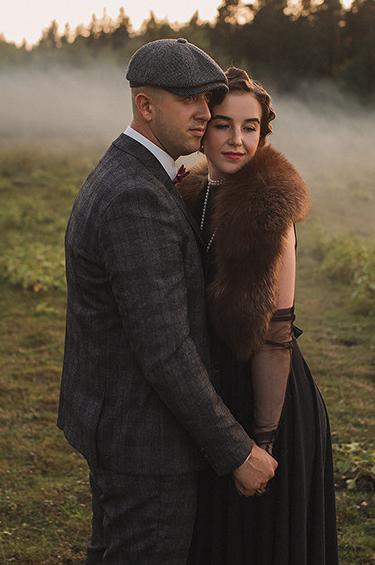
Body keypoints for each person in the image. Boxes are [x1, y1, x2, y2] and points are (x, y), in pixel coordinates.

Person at [58, 40, 278, 563]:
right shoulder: (136, 196)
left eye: (206, 98)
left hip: (119, 429)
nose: (204, 112)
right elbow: (165, 350)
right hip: (145, 444)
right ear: (146, 106)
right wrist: (237, 451)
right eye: (187, 100)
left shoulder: (135, 174)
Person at [178, 67, 339, 564]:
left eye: (250, 127)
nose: (237, 140)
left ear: (263, 134)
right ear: (201, 128)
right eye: (223, 124)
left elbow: (275, 337)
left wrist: (262, 441)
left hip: (264, 397)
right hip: (215, 391)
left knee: (255, 542)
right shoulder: (195, 192)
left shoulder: (269, 210)